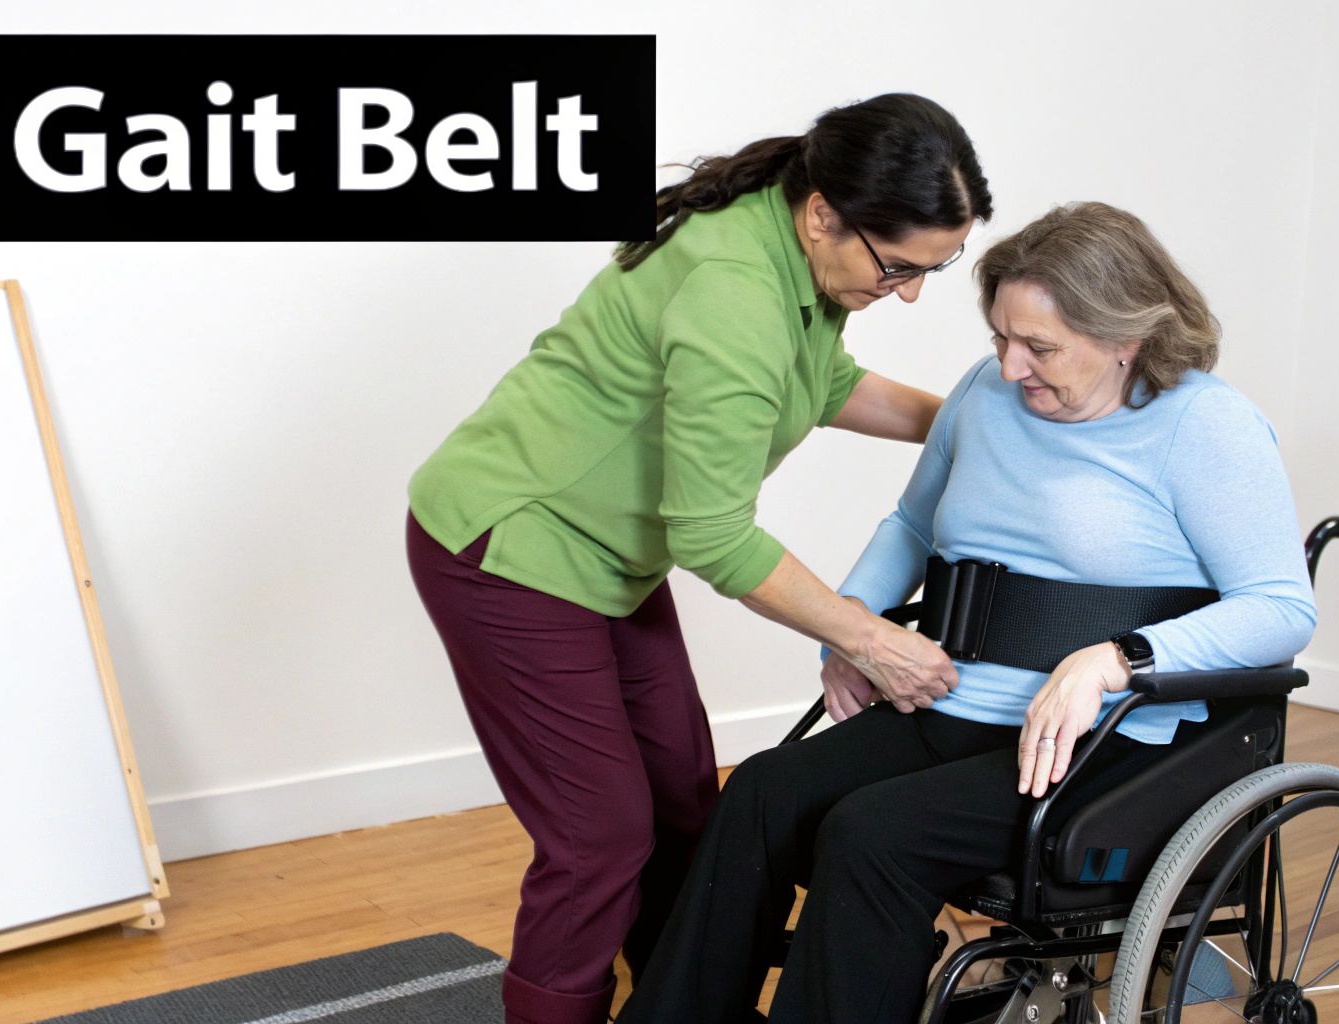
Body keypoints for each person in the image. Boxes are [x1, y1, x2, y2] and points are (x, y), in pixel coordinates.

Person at [614, 202, 1319, 1024]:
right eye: (1000, 337)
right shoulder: (987, 393)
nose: (1010, 365)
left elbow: (1280, 607)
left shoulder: (1206, 425)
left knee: (873, 834)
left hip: (1103, 745)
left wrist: (1112, 658)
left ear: (1125, 336)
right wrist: (856, 622)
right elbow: (914, 524)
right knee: (761, 795)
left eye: (1040, 347)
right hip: (953, 698)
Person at [405, 94, 993, 1024]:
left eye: (935, 267)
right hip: (509, 547)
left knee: (684, 802)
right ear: (823, 213)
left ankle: (682, 1006)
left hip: (606, 558)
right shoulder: (734, 286)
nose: (910, 291)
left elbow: (822, 381)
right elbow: (712, 534)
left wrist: (973, 422)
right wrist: (870, 637)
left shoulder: (792, 252)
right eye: (899, 267)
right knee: (598, 838)